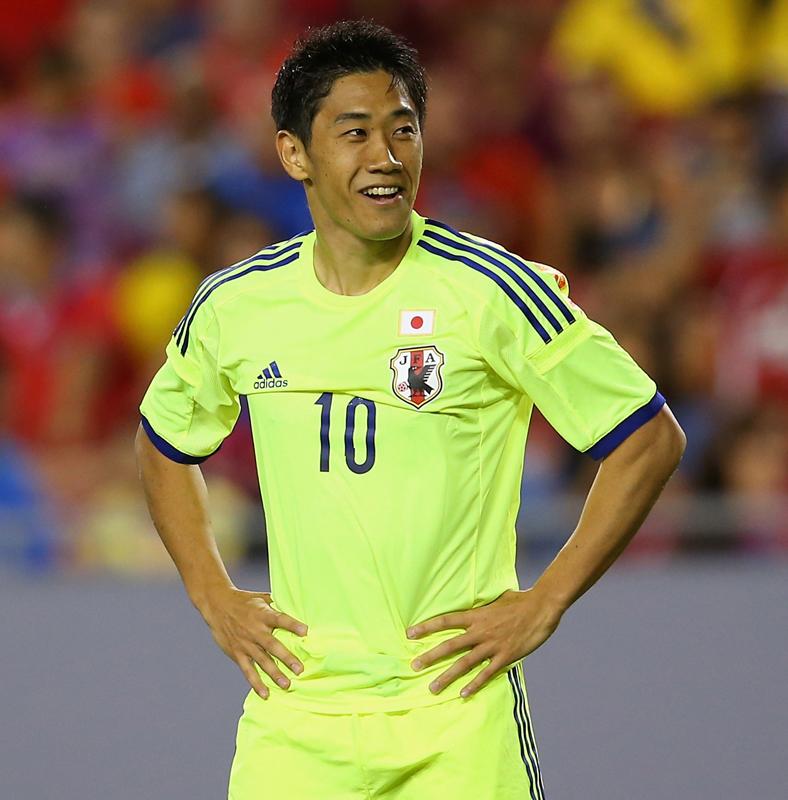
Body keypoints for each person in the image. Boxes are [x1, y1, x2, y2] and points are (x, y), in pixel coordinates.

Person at [135, 20, 686, 800]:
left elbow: (648, 437)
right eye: (355, 133)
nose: (387, 156)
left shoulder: (493, 290)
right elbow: (162, 444)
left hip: (454, 712)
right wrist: (212, 596)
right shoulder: (236, 304)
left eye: (403, 129)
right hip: (296, 715)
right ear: (295, 154)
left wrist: (545, 601)